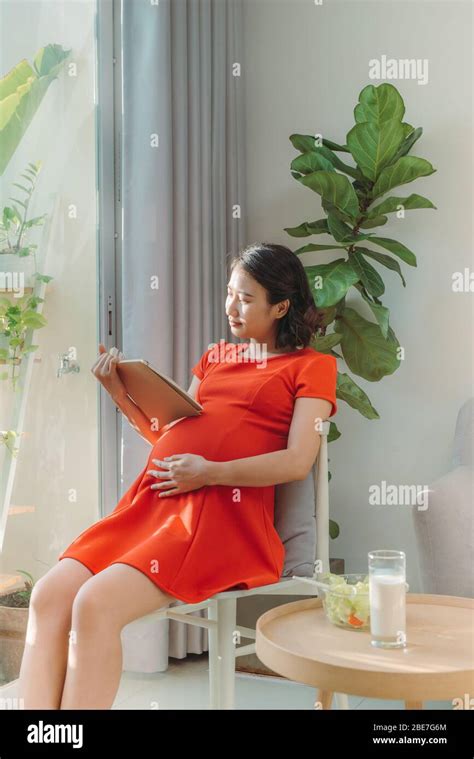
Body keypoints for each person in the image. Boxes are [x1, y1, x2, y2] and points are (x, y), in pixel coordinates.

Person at [17, 242, 338, 709]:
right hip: (154, 503)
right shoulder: (216, 357)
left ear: (281, 306)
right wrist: (118, 393)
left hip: (219, 520)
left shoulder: (313, 367)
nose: (232, 306)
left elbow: (296, 461)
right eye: (230, 293)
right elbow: (169, 436)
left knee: (94, 604)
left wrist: (209, 473)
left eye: (247, 298)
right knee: (48, 596)